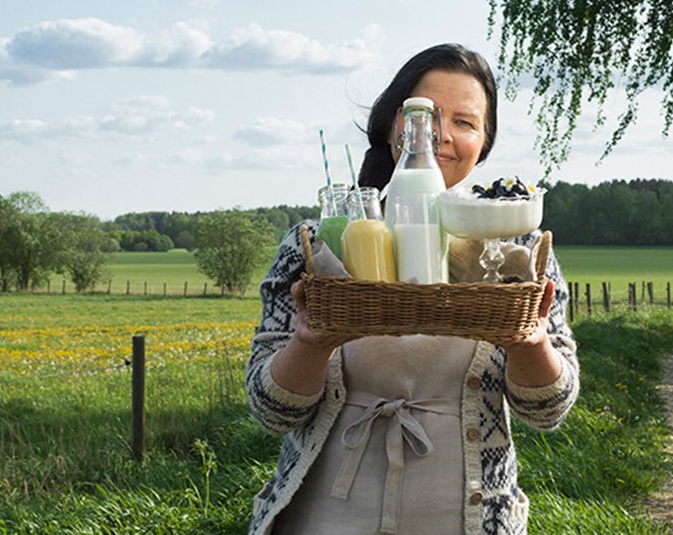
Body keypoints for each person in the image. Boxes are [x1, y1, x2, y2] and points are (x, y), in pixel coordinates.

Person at [244, 43, 579, 535]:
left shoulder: (519, 251)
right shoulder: (315, 248)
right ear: (393, 126)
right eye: (425, 117)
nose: (441, 136)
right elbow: (270, 411)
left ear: (483, 143)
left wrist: (529, 342)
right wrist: (308, 343)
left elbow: (548, 409)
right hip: (323, 519)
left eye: (465, 122)